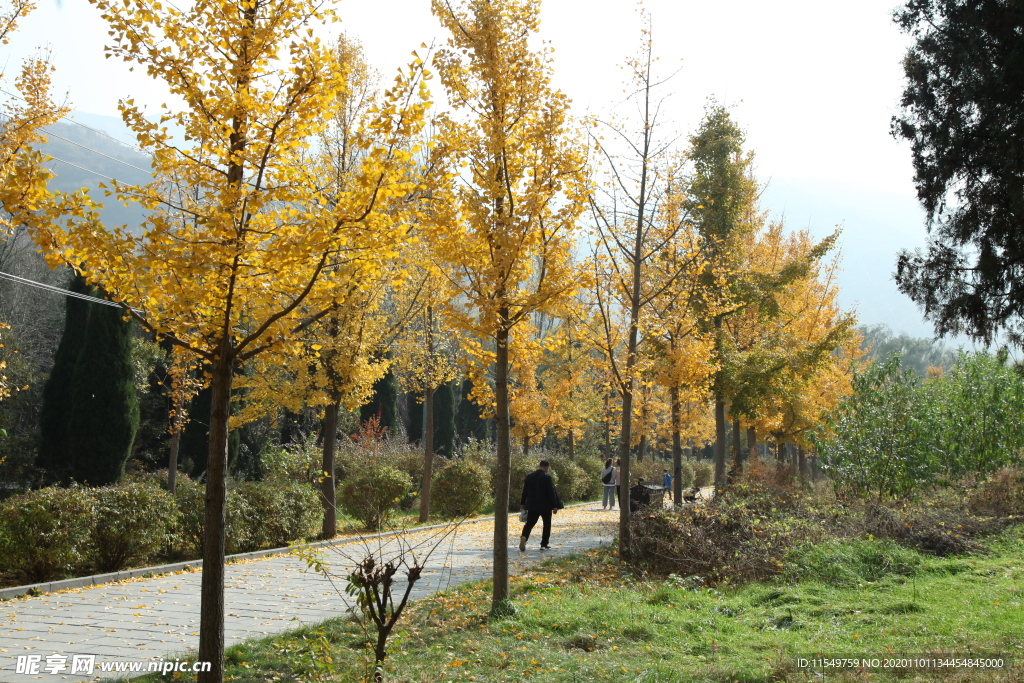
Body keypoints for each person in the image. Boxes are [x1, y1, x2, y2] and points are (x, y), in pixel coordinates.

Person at [519, 459, 564, 551]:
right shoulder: (547, 477)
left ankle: (524, 537)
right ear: (546, 467)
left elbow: (525, 491)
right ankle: (544, 544)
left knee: (529, 524)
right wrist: (555, 505)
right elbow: (551, 492)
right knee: (546, 524)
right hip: (545, 506)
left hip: (532, 505)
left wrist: (523, 503)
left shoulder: (530, 476)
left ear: (540, 466)